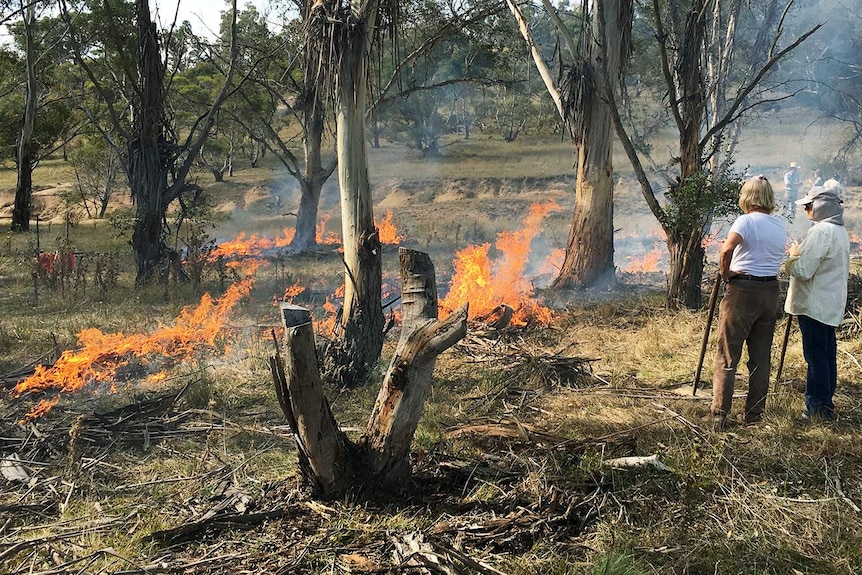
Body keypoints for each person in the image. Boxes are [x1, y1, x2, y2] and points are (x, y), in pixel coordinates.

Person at [709, 175, 787, 431]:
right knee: (760, 357)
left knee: (728, 354)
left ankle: (719, 415)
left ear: (747, 197)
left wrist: (725, 273)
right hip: (770, 291)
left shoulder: (745, 221)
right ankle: (754, 416)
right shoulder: (779, 225)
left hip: (744, 291)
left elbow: (726, 249)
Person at [784, 184, 850, 421]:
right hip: (829, 304)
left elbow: (803, 270)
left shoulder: (822, 232)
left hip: (814, 305)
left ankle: (817, 409)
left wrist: (792, 255)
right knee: (826, 355)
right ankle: (825, 405)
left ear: (821, 207)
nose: (807, 210)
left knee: (816, 358)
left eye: (809, 206)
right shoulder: (839, 231)